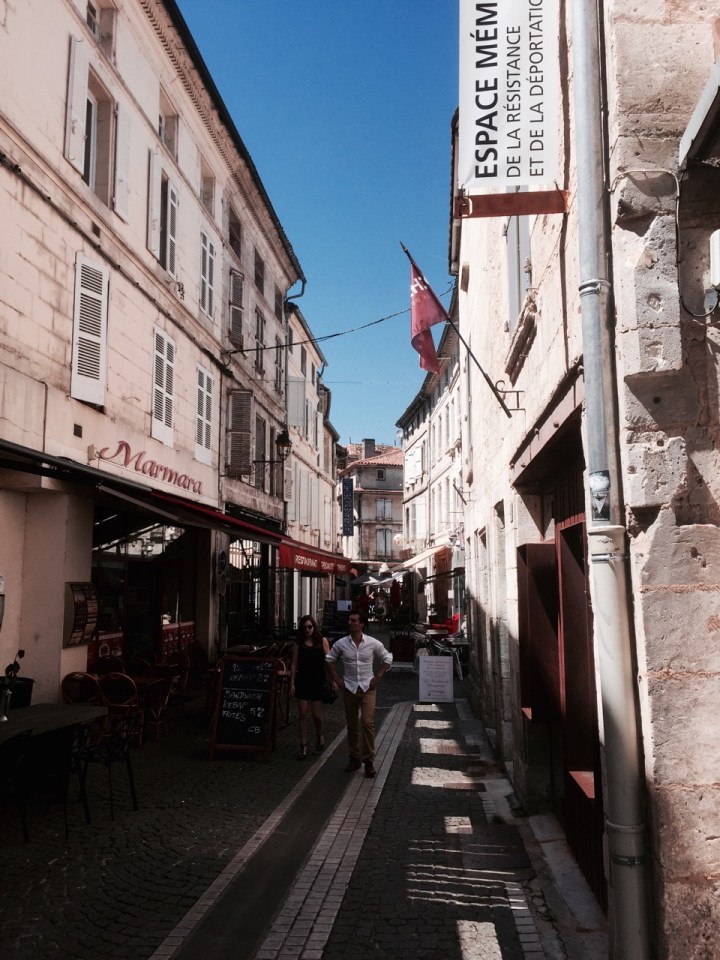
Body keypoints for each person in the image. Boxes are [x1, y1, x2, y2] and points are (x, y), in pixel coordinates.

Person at [325, 608, 393, 778]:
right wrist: (336, 678)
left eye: (354, 620)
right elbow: (329, 659)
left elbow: (387, 657)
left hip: (367, 688)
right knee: (352, 725)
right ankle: (354, 757)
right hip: (349, 687)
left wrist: (378, 676)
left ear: (361, 624)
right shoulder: (341, 643)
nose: (350, 622)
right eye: (349, 620)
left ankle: (369, 761)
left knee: (368, 723)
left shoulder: (372, 642)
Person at [290, 615, 333, 760]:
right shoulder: (298, 644)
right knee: (302, 713)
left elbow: (329, 662)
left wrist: (333, 679)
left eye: (310, 627)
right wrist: (292, 683)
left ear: (314, 627)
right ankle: (303, 746)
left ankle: (319, 734)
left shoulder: (322, 641)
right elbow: (294, 664)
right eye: (304, 628)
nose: (307, 630)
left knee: (316, 715)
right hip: (302, 680)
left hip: (317, 680)